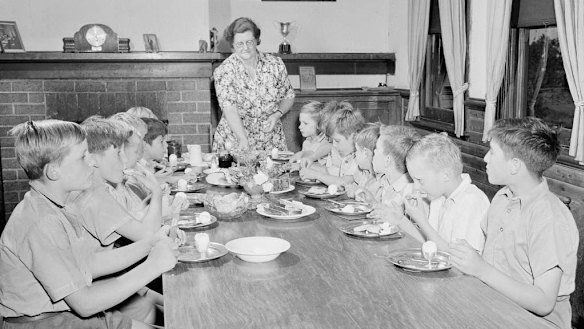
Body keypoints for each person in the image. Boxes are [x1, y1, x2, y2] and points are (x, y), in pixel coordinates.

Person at [0, 119, 177, 329]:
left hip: (68, 316)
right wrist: (153, 266)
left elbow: (90, 263)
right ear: (53, 171)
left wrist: (151, 243)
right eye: (83, 157)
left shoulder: (58, 204)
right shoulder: (40, 222)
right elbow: (85, 303)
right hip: (47, 323)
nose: (92, 163)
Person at [449, 117, 578, 329]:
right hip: (494, 308)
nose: (485, 158)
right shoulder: (503, 197)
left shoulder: (549, 217)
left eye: (492, 151)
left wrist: (480, 269)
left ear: (515, 166)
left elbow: (544, 302)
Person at [212, 17, 295, 152]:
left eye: (249, 42)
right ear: (232, 45)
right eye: (239, 44)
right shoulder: (224, 71)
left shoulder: (275, 64)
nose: (245, 48)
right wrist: (242, 138)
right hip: (235, 139)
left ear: (257, 40)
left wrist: (277, 114)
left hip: (270, 140)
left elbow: (289, 95)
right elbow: (230, 110)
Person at [404, 133, 490, 253]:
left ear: (445, 175)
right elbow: (431, 244)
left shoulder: (472, 201)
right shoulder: (439, 198)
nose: (416, 188)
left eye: (420, 180)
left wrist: (421, 220)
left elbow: (459, 261)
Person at [365, 125, 424, 241]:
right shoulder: (387, 182)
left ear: (387, 160)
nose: (373, 153)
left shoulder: (410, 193)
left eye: (376, 149)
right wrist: (372, 203)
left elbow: (418, 238)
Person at [299, 106, 365, 187]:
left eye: (337, 141)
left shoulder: (359, 158)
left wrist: (316, 175)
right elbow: (330, 172)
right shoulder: (347, 156)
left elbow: (344, 182)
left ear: (353, 136)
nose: (334, 145)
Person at [345, 123, 381, 199]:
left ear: (365, 153)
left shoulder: (379, 180)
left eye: (357, 151)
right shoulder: (363, 173)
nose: (355, 154)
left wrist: (357, 193)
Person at [289, 101, 329, 166]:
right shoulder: (306, 142)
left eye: (305, 123)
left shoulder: (325, 142)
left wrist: (302, 154)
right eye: (300, 122)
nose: (300, 127)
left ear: (319, 125)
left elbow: (314, 153)